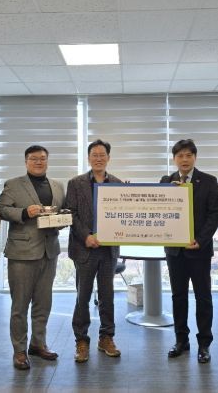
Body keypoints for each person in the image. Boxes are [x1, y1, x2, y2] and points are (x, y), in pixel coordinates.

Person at [0, 145, 65, 370]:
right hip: (22, 252)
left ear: (48, 161)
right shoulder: (13, 184)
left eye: (43, 158)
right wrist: (25, 212)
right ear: (26, 161)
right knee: (20, 305)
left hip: (49, 250)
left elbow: (62, 212)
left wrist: (62, 220)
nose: (38, 162)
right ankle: (19, 350)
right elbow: (2, 210)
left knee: (43, 303)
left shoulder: (58, 186)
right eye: (34, 158)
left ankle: (38, 344)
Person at [160, 139, 218, 364]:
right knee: (178, 296)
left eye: (188, 155)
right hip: (174, 251)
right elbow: (159, 210)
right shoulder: (166, 181)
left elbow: (215, 213)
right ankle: (181, 340)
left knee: (203, 297)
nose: (184, 160)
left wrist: (201, 240)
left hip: (199, 250)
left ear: (195, 157)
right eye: (180, 156)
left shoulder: (208, 181)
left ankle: (204, 343)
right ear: (174, 159)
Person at [65, 139, 122, 363]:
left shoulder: (117, 184)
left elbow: (122, 215)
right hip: (84, 248)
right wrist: (86, 236)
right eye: (94, 155)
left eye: (102, 155)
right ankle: (81, 340)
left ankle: (106, 337)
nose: (98, 158)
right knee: (83, 297)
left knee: (107, 296)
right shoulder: (75, 183)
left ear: (109, 158)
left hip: (108, 251)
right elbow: (71, 213)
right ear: (88, 158)